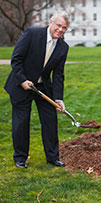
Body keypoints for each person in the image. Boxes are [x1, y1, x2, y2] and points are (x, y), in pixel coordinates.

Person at [4, 11, 70, 168]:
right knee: (21, 123)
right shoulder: (32, 34)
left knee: (50, 121)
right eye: (59, 25)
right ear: (51, 22)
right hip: (22, 84)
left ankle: (52, 157)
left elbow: (59, 75)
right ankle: (20, 157)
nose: (60, 30)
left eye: (64, 28)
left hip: (43, 86)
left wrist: (58, 99)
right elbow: (16, 59)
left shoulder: (63, 47)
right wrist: (22, 80)